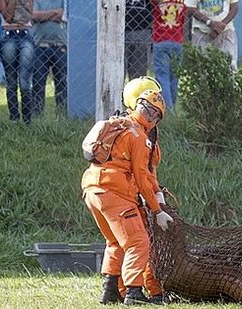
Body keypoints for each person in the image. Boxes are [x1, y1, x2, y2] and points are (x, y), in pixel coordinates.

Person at [81, 88, 174, 306]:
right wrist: (157, 210)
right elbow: (142, 176)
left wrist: (156, 192)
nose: (149, 116)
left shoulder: (119, 124)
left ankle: (110, 290)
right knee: (138, 242)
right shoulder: (139, 136)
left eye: (152, 113)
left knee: (115, 241)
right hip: (115, 192)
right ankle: (133, 293)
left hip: (92, 189)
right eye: (148, 111)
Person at [0, 0, 35, 125]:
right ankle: (14, 118)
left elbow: (29, 15)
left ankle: (27, 121)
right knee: (11, 82)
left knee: (25, 82)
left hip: (26, 34)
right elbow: (8, 17)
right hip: (8, 34)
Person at [32, 0, 67, 117]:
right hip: (40, 46)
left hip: (61, 46)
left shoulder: (64, 1)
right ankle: (37, 116)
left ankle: (62, 115)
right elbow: (34, 15)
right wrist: (54, 13)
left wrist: (45, 15)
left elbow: (65, 15)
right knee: (38, 83)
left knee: (62, 83)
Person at [150, 0, 186, 109]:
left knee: (162, 77)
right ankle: (172, 106)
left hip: (161, 39)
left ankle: (167, 109)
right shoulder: (182, 2)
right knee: (174, 77)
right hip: (177, 40)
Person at [185, 0, 238, 69]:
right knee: (201, 68)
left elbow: (234, 6)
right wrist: (210, 23)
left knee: (229, 66)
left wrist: (222, 25)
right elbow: (191, 8)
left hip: (226, 31)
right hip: (201, 32)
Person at [125, 0, 152, 80]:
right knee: (118, 68)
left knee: (138, 71)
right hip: (120, 28)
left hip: (143, 28)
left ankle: (137, 90)